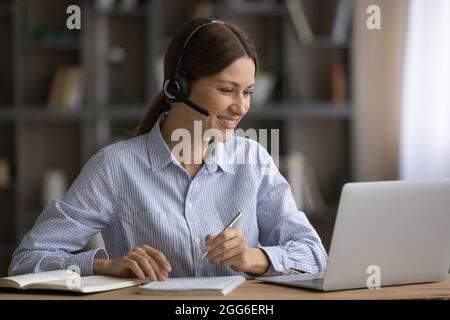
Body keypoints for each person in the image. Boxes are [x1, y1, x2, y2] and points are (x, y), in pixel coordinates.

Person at [9, 17, 327, 280]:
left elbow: (314, 254)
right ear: (179, 87)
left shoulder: (254, 160)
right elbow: (27, 260)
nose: (240, 107)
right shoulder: (115, 167)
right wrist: (105, 266)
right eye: (227, 90)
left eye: (247, 92)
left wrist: (252, 258)